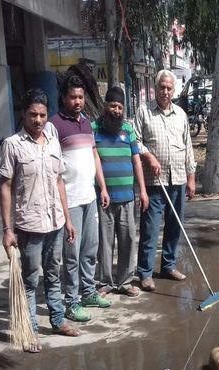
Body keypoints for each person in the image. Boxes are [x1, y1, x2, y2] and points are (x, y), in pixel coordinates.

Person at [0, 88, 80, 353]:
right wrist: (7, 229)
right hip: (29, 226)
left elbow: (59, 182)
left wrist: (68, 219)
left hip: (55, 223)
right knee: (31, 280)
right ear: (24, 114)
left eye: (43, 115)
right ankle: (31, 330)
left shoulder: (53, 141)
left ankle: (57, 321)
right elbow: (6, 187)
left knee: (54, 275)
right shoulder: (12, 145)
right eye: (33, 114)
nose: (38, 120)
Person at [50, 75, 111, 323]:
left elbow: (94, 156)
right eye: (73, 97)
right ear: (63, 98)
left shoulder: (87, 123)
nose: (78, 101)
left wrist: (103, 187)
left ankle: (88, 292)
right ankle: (71, 301)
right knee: (71, 254)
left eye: (81, 97)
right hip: (70, 201)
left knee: (90, 249)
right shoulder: (54, 125)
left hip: (89, 196)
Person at [134, 69, 196, 292]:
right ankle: (145, 273)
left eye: (169, 88)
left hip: (178, 179)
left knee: (174, 226)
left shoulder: (180, 114)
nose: (166, 92)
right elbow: (136, 141)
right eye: (162, 87)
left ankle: (169, 266)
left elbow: (188, 146)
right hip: (154, 183)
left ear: (174, 89)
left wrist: (191, 177)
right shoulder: (144, 112)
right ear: (155, 88)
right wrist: (149, 156)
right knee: (150, 229)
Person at [93, 87, 149, 297]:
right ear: (105, 106)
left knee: (127, 241)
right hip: (104, 198)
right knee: (105, 244)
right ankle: (105, 282)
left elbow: (136, 160)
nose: (116, 110)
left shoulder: (128, 129)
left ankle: (125, 281)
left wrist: (142, 190)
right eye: (112, 105)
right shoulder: (94, 129)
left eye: (119, 107)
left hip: (127, 197)